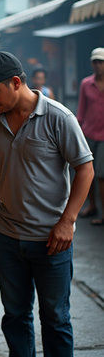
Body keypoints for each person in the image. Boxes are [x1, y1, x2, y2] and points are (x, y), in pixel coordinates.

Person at [0, 51, 94, 357]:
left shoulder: (58, 117)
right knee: (15, 315)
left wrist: (68, 221)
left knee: (56, 318)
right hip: (7, 238)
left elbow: (85, 168)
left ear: (15, 82)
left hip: (51, 240)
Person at [77, 47, 104, 225]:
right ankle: (92, 205)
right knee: (88, 173)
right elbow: (81, 111)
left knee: (101, 175)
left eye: (100, 61)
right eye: (95, 62)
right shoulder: (86, 83)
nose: (97, 65)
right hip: (88, 133)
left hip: (103, 137)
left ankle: (102, 212)